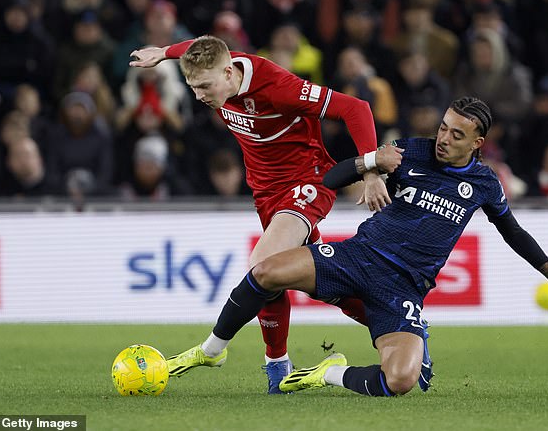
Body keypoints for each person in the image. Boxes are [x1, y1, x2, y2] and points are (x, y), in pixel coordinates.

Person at [162, 97, 548, 397]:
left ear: (477, 143)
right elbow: (330, 179)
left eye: (456, 135)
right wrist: (370, 163)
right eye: (443, 128)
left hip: (403, 288)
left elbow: (514, 234)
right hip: (356, 259)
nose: (443, 138)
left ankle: (328, 372)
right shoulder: (408, 153)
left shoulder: (485, 184)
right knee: (265, 271)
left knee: (401, 381)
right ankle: (212, 350)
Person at [129, 35, 392, 394]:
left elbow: (356, 108)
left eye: (205, 86)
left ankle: (213, 350)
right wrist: (163, 53)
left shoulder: (278, 86)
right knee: (311, 281)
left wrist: (371, 171)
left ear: (227, 72)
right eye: (192, 87)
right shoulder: (216, 71)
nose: (200, 96)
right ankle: (393, 325)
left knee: (262, 264)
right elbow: (202, 47)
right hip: (266, 192)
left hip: (307, 179)